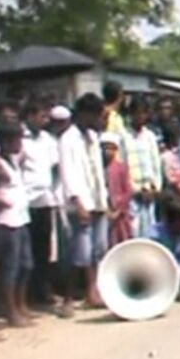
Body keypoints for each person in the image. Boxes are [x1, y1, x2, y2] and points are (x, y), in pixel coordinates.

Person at [59, 93, 109, 308]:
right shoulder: (67, 139)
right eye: (96, 115)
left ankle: (94, 290)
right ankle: (71, 296)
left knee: (99, 249)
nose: (98, 119)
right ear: (84, 114)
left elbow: (98, 171)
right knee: (81, 252)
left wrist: (104, 200)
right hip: (81, 202)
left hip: (97, 200)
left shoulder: (93, 137)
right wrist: (78, 202)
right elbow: (68, 173)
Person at [20, 99, 69, 316]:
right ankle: (26, 294)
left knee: (44, 249)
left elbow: (55, 166)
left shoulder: (48, 140)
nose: (45, 120)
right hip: (25, 201)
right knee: (26, 251)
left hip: (45, 200)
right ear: (30, 116)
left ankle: (42, 290)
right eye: (42, 116)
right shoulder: (19, 138)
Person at [0, 121, 36, 327]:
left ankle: (21, 305)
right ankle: (10, 311)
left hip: (21, 218)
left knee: (25, 265)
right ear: (6, 141)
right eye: (17, 139)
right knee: (9, 268)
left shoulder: (13, 160)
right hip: (6, 222)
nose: (20, 143)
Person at [119, 98, 162, 238]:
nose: (140, 117)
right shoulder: (123, 136)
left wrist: (155, 187)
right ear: (130, 114)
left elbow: (156, 164)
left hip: (149, 191)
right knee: (134, 230)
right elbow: (122, 166)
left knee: (150, 231)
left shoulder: (150, 136)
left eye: (143, 113)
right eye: (137, 113)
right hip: (133, 193)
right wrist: (134, 190)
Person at [102, 133, 133, 247]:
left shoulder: (121, 167)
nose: (107, 151)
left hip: (120, 213)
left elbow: (128, 190)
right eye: (105, 148)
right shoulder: (100, 168)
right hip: (105, 211)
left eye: (110, 148)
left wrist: (119, 210)